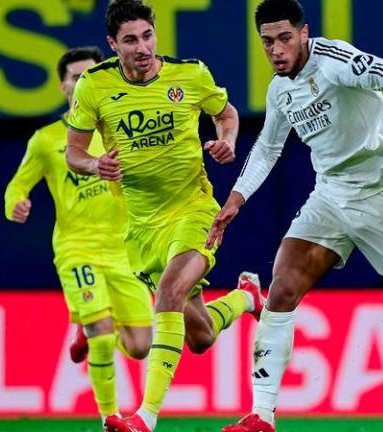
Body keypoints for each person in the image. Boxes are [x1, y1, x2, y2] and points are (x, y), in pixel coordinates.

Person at [207, 1, 383, 429]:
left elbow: (382, 70)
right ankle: (260, 414)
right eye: (268, 42)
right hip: (330, 197)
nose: (276, 50)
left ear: (304, 33)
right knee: (282, 288)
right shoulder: (279, 89)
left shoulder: (333, 59)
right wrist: (236, 199)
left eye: (285, 38)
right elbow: (267, 147)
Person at [64, 1, 263, 431]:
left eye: (147, 36)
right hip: (142, 227)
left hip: (194, 209)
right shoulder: (94, 87)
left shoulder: (189, 74)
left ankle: (145, 417)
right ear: (112, 44)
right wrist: (94, 165)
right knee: (201, 337)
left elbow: (225, 114)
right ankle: (247, 297)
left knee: (169, 294)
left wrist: (226, 139)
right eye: (130, 40)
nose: (142, 47)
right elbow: (74, 154)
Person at [4, 46, 153, 427]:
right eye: (76, 77)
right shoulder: (46, 140)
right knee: (103, 333)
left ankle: (89, 325)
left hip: (124, 250)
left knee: (140, 347)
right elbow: (14, 189)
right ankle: (110, 417)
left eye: (91, 74)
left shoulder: (123, 127)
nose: (83, 82)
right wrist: (16, 204)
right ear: (63, 85)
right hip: (76, 248)